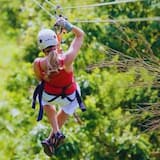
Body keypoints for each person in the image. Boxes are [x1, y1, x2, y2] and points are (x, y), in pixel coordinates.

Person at [33, 17, 84, 157]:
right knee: (69, 104)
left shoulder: (38, 63)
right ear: (56, 43)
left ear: (41, 47)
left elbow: (41, 78)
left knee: (42, 96)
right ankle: (52, 137)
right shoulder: (67, 59)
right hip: (70, 96)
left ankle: (55, 133)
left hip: (50, 95)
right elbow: (80, 35)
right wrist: (69, 26)